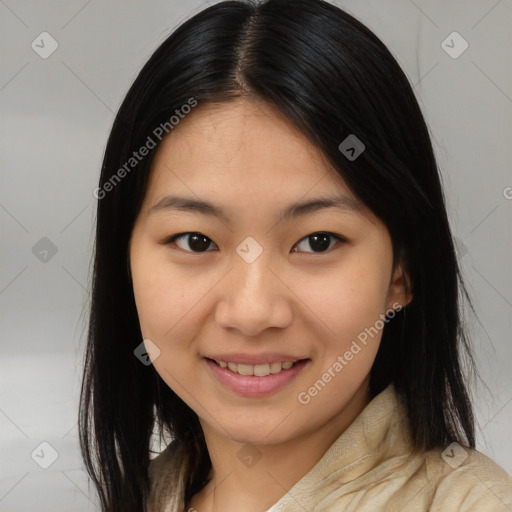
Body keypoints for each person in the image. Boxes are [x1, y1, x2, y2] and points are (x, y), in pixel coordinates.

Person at [78, 0, 512, 511]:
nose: (252, 311)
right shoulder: (146, 495)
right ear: (125, 264)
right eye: (197, 241)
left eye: (318, 241)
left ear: (402, 271)